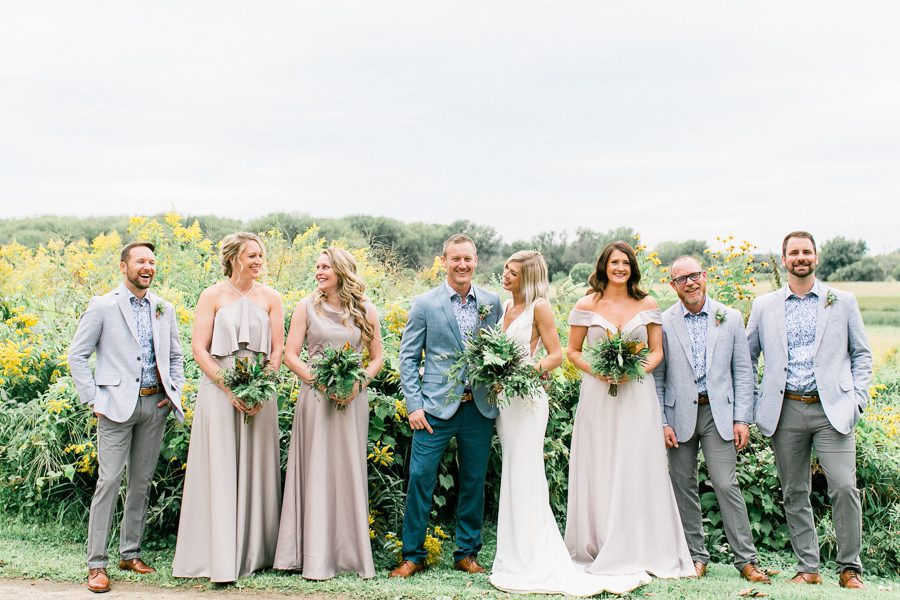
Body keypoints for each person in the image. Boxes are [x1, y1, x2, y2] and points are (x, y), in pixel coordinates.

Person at [490, 251, 649, 596]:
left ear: (528, 278)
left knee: (527, 471)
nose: (505, 275)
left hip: (529, 400)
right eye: (505, 269)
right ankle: (514, 551)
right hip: (506, 403)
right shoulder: (505, 306)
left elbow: (556, 356)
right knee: (512, 473)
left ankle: (535, 554)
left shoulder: (540, 307)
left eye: (513, 273)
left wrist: (522, 371)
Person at [747, 231, 872, 589]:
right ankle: (808, 567)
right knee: (793, 491)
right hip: (786, 410)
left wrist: (857, 399)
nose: (800, 257)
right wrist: (757, 402)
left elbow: (862, 355)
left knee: (844, 487)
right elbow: (747, 357)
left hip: (834, 410)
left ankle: (850, 568)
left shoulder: (842, 301)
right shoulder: (764, 305)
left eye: (807, 252)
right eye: (794, 253)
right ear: (784, 260)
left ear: (815, 258)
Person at [564, 241, 694, 580]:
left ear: (632, 267)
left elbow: (656, 352)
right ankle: (599, 540)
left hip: (637, 394)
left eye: (625, 262)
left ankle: (639, 541)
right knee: (601, 461)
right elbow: (573, 352)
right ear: (603, 265)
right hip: (597, 395)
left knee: (637, 462)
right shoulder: (586, 304)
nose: (619, 268)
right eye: (613, 262)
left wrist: (635, 370)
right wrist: (599, 370)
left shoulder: (647, 303)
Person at [69, 241, 185, 594]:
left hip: (154, 407)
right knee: (109, 482)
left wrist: (173, 391)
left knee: (141, 483)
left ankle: (130, 553)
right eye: (140, 261)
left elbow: (176, 358)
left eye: (152, 261)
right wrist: (94, 399)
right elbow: (78, 355)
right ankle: (97, 565)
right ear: (124, 267)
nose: (147, 267)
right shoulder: (103, 305)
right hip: (114, 407)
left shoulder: (164, 308)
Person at [172, 232, 284, 583]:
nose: (258, 261)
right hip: (219, 391)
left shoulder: (272, 297)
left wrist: (260, 388)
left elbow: (277, 351)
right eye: (251, 255)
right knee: (219, 465)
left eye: (261, 255)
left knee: (256, 466)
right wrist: (229, 387)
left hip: (260, 394)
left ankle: (254, 552)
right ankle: (216, 554)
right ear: (235, 258)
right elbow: (199, 349)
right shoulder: (212, 295)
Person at [390, 233, 502, 578]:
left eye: (468, 258)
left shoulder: (492, 302)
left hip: (479, 408)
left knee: (472, 481)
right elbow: (408, 358)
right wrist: (414, 405)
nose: (462, 265)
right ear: (444, 261)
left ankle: (466, 553)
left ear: (476, 260)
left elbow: (499, 352)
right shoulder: (425, 303)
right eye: (456, 259)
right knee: (421, 478)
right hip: (434, 409)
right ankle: (413, 554)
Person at [654, 256, 770, 583]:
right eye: (682, 279)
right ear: (672, 285)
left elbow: (744, 373)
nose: (689, 283)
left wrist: (742, 418)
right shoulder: (663, 322)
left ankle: (746, 560)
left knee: (725, 483)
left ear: (704, 277)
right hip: (678, 417)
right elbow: (658, 379)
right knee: (683, 486)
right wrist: (662, 421)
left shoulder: (730, 318)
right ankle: (695, 556)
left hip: (720, 414)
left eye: (694, 276)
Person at [273, 247, 383, 579]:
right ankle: (310, 554)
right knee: (316, 468)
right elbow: (291, 354)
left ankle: (349, 554)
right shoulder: (306, 306)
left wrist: (357, 384)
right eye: (317, 266)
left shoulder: (366, 309)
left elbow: (377, 357)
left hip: (352, 400)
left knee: (346, 469)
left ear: (342, 271)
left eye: (325, 266)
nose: (319, 271)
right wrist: (320, 382)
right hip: (316, 399)